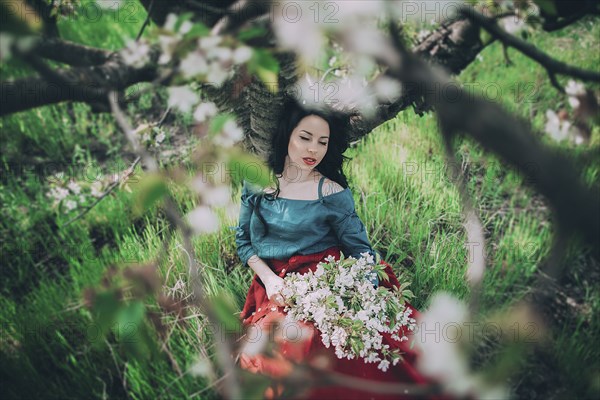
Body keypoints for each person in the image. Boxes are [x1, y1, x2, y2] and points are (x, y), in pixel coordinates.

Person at [235, 98, 432, 399]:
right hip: (275, 280)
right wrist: (270, 279)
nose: (313, 149)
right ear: (287, 134)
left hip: (327, 276)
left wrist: (358, 298)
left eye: (322, 142)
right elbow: (243, 242)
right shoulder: (258, 183)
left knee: (330, 341)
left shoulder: (330, 191)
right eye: (304, 138)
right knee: (281, 347)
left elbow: (361, 251)